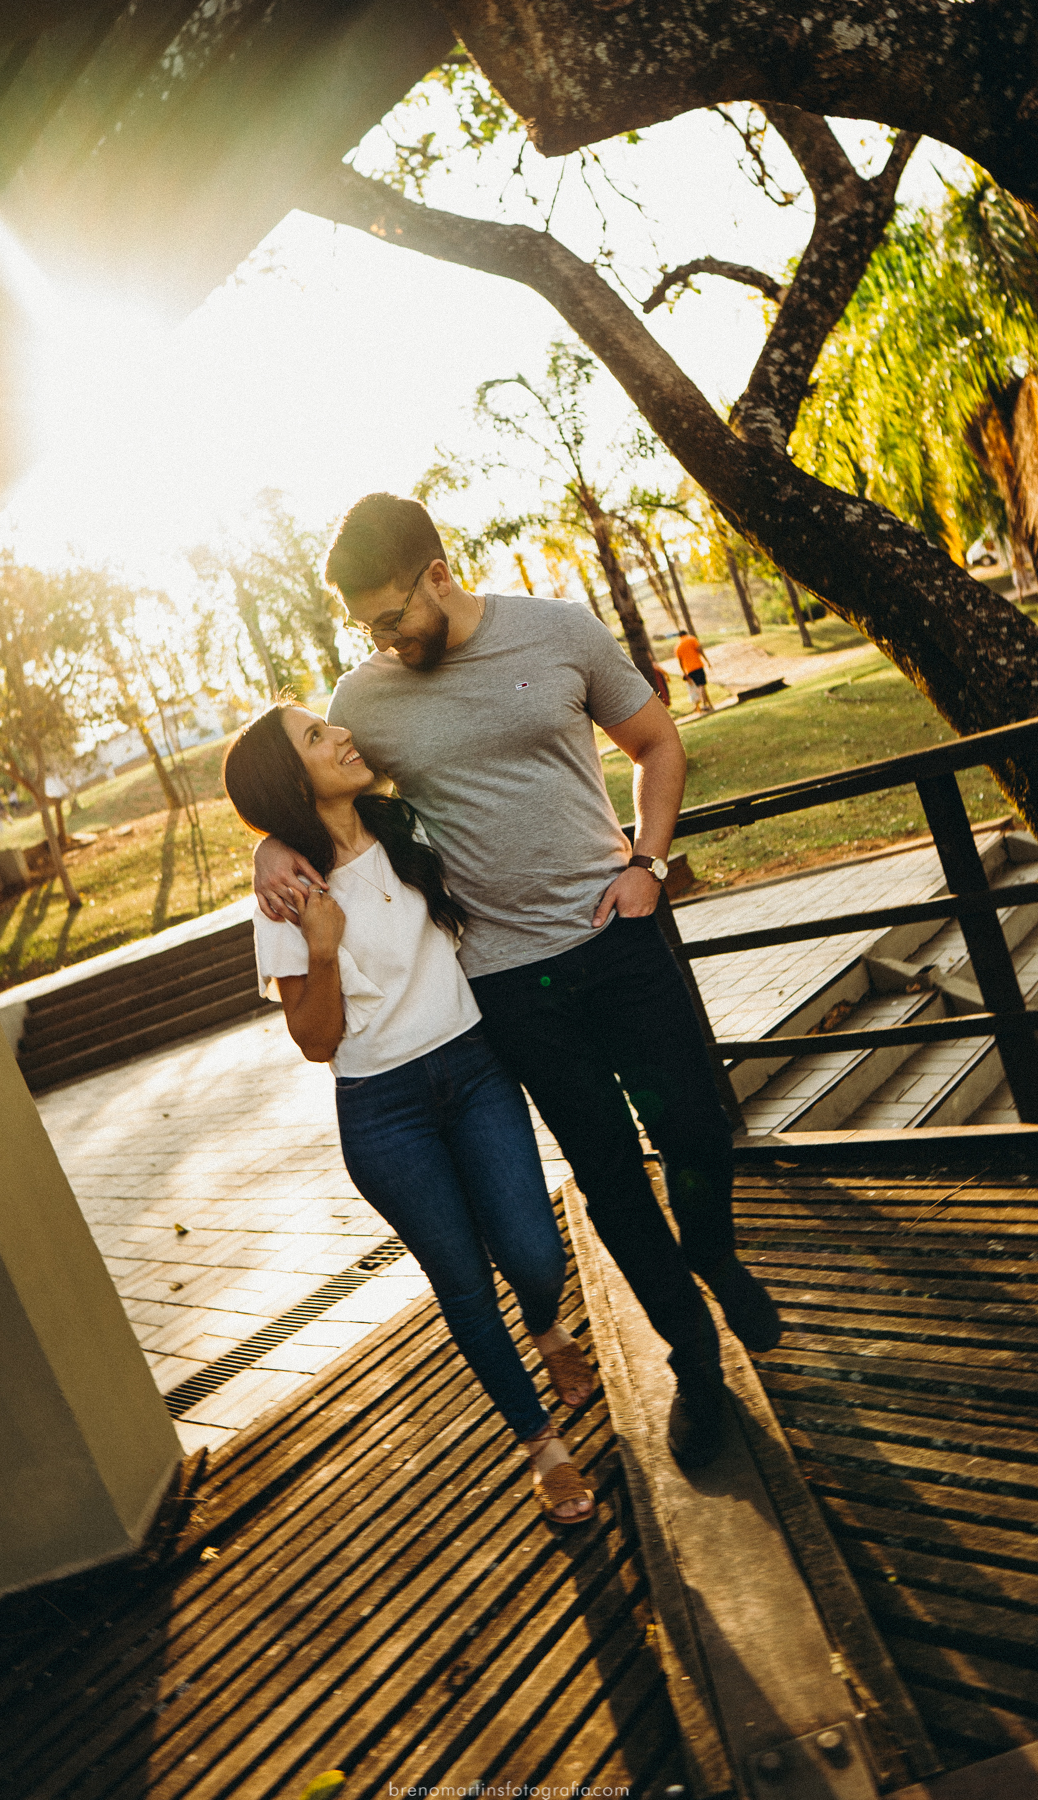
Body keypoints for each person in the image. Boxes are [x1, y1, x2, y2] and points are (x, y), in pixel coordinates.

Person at [254, 494, 782, 1470]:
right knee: (609, 1175)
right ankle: (695, 1359)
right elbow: (309, 788)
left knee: (698, 1131)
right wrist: (271, 849)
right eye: (365, 626)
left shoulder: (560, 630)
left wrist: (648, 864)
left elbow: (659, 744)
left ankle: (713, 1251)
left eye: (389, 616)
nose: (380, 639)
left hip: (619, 939)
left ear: (438, 573)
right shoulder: (364, 696)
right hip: (505, 982)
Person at [224, 701, 596, 1525]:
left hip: (475, 1068)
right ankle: (543, 1446)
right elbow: (314, 1041)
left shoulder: (409, 824)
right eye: (316, 736)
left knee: (535, 1254)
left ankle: (547, 1327)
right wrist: (322, 948)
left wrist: (264, 845)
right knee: (464, 1287)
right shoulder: (289, 896)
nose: (341, 734)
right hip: (384, 1112)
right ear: (290, 780)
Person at [675, 632, 713, 714]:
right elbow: (699, 650)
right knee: (701, 685)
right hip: (697, 665)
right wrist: (707, 661)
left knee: (699, 686)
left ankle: (709, 705)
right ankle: (704, 704)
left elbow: (680, 661)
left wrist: (683, 672)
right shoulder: (692, 639)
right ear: (686, 634)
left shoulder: (678, 646)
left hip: (689, 669)